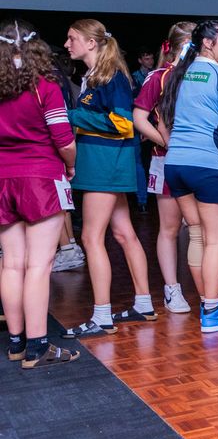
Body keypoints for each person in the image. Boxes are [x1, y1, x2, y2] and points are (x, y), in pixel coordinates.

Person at [61, 19, 154, 338]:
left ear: (91, 42)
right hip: (105, 164)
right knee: (125, 233)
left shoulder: (111, 76)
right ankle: (144, 304)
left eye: (72, 38)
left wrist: (69, 116)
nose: (67, 44)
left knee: (90, 238)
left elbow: (123, 123)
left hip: (106, 166)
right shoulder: (95, 76)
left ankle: (101, 316)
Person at [0, 19, 80, 367]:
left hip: (2, 179)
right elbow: (64, 139)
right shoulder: (45, 86)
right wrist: (71, 165)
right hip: (41, 178)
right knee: (39, 264)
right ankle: (38, 346)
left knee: (11, 262)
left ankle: (16, 343)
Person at [160, 20, 218, 333]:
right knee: (215, 240)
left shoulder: (179, 74)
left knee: (197, 235)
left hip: (175, 164)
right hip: (209, 165)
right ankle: (212, 311)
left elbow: (165, 120)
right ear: (208, 43)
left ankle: (209, 303)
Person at [133, 22, 199, 314]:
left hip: (201, 159)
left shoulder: (202, 74)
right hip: (166, 159)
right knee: (170, 228)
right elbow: (139, 118)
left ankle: (217, 285)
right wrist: (167, 143)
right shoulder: (159, 77)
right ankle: (172, 289)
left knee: (204, 227)